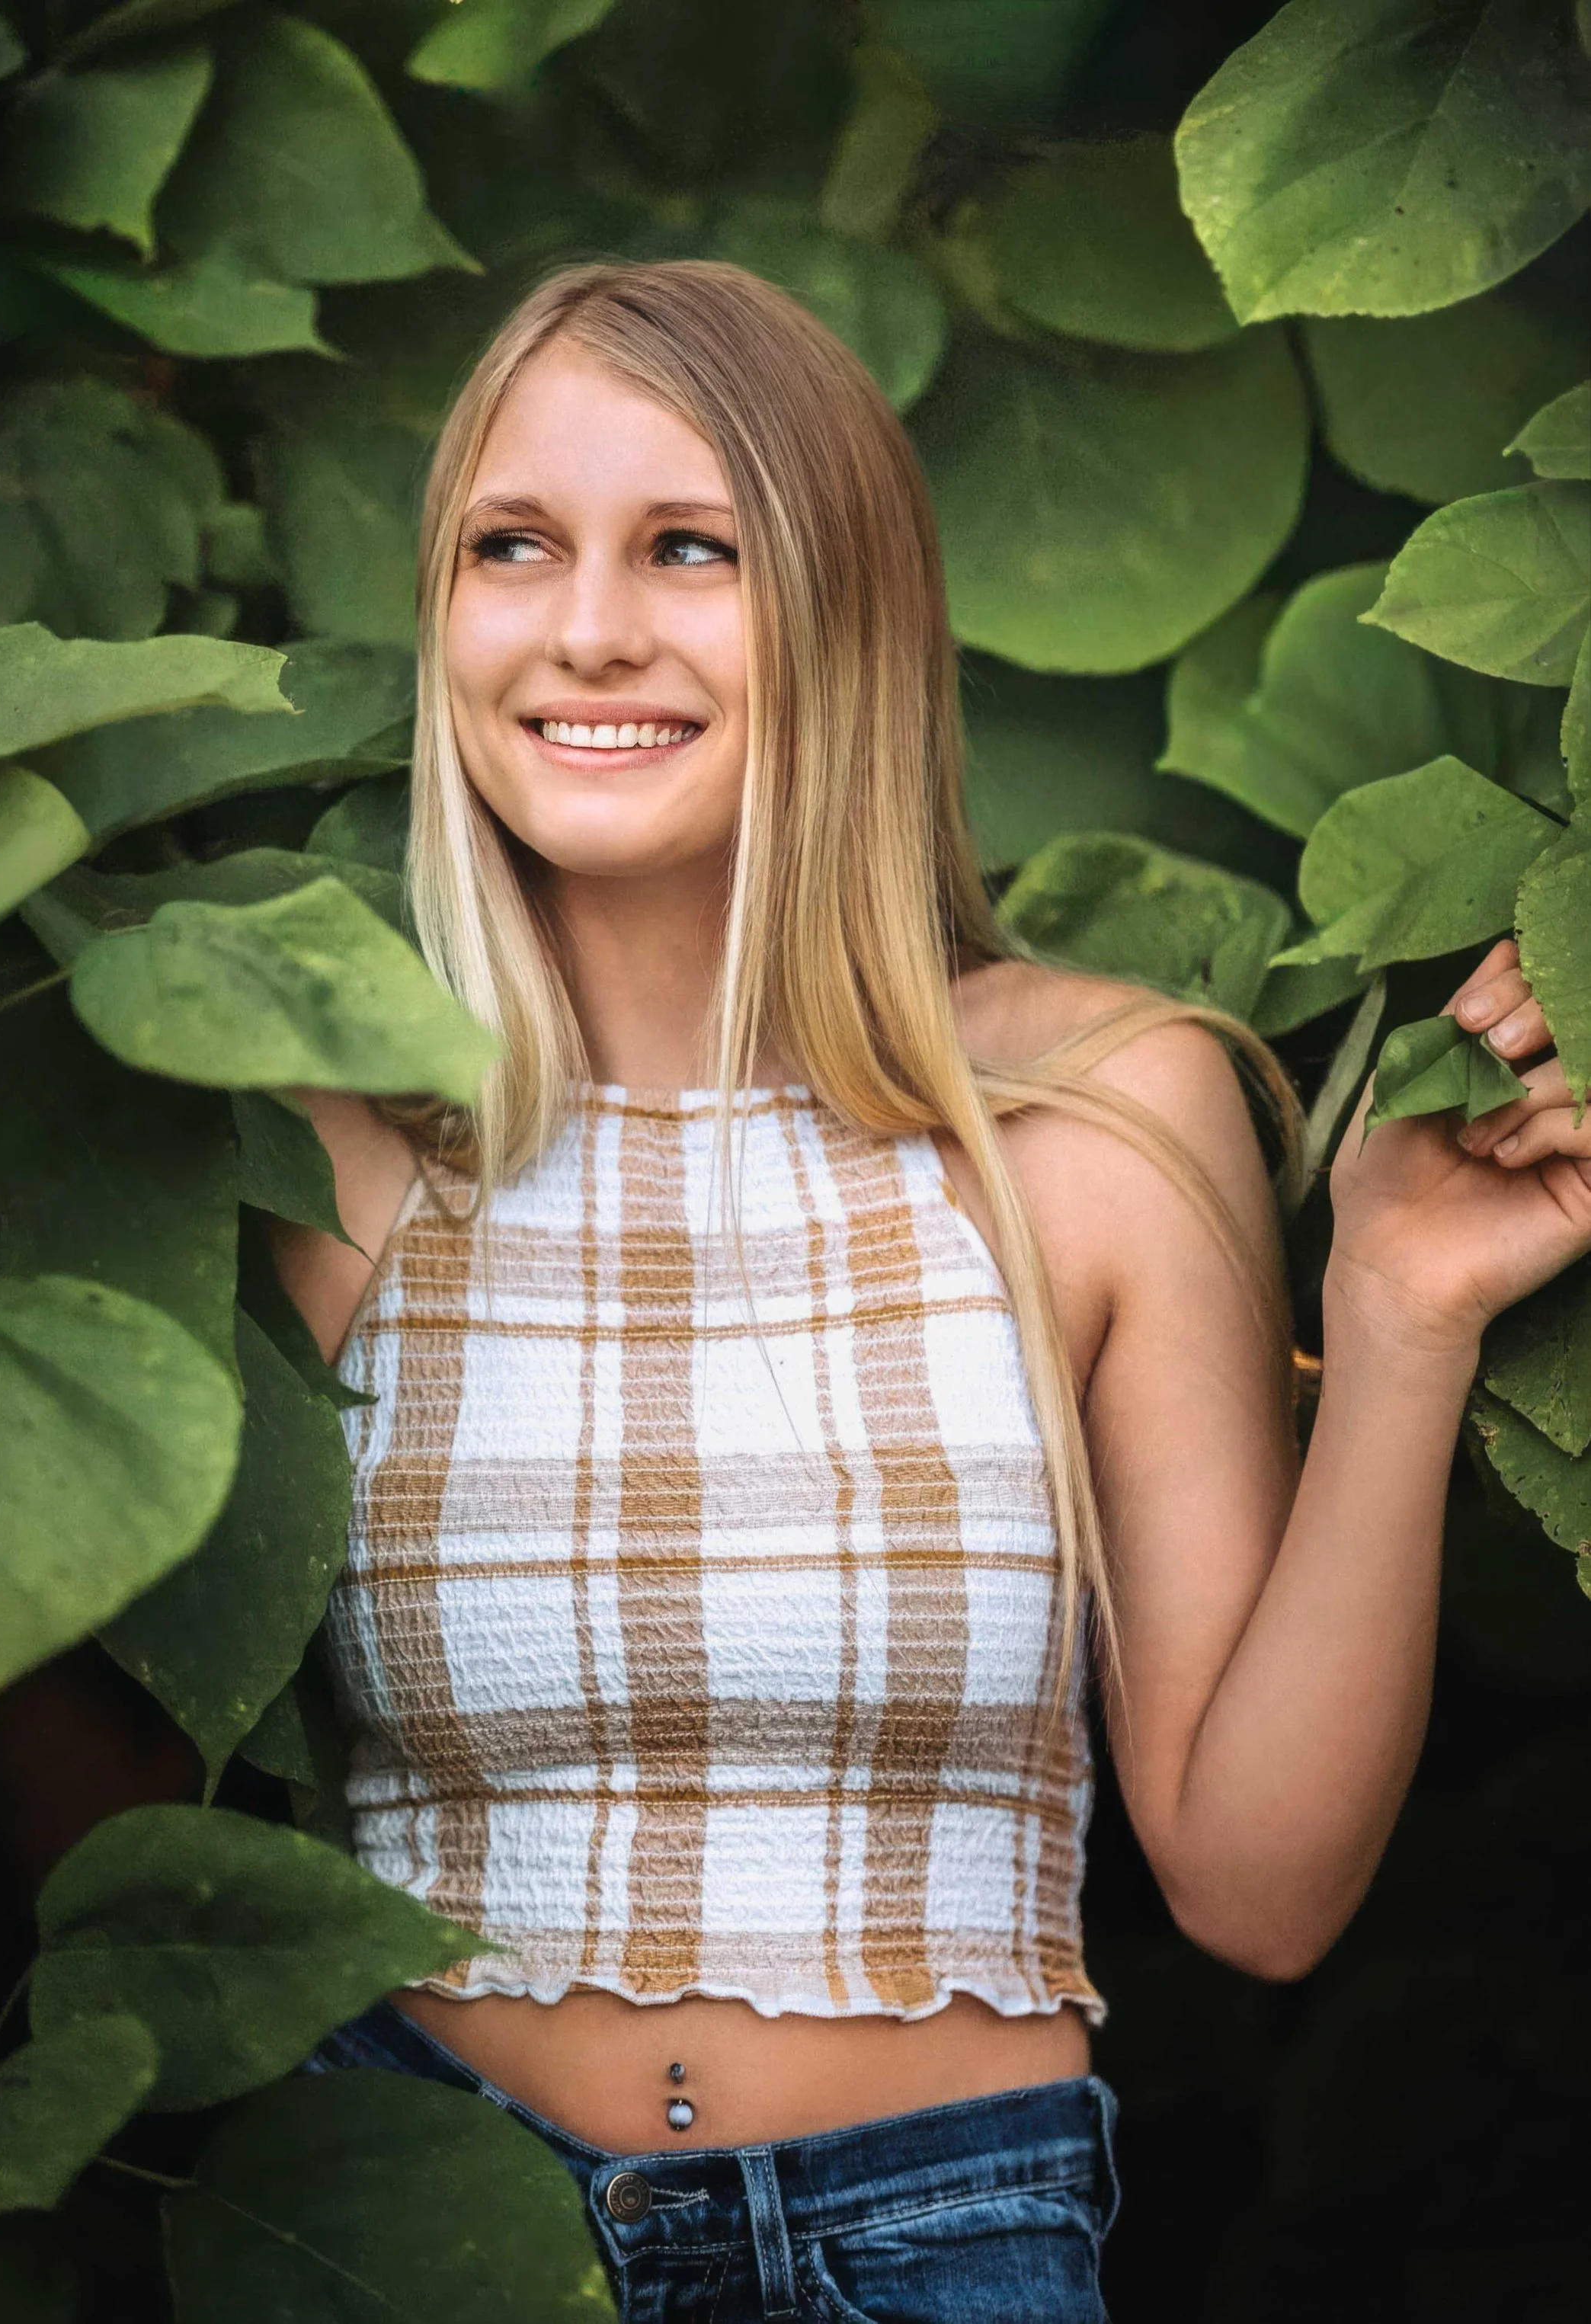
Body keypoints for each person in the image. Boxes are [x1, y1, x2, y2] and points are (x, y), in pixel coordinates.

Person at [267, 259, 1591, 2322]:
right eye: (509, 546)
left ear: (845, 613)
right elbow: (82, 1761)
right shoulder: (324, 1141)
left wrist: (1401, 1316)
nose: (585, 624)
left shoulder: (1093, 1115)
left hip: (926, 2245)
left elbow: (1257, 1893)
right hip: (409, 2232)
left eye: (688, 548)